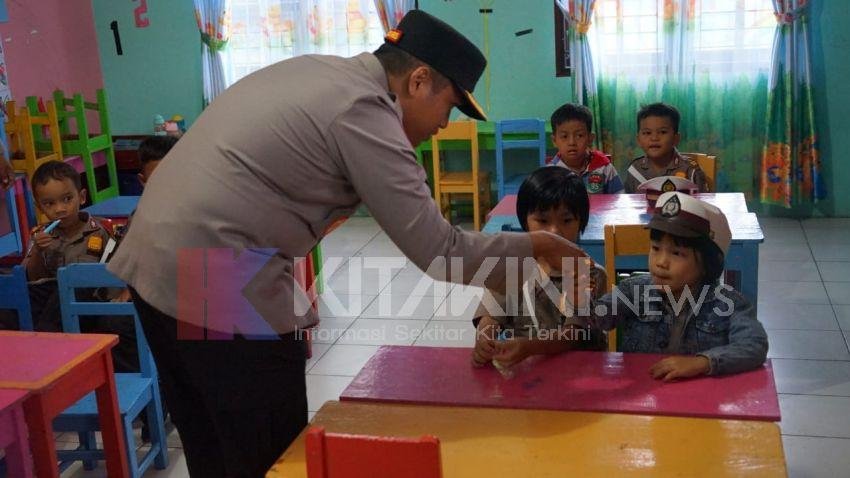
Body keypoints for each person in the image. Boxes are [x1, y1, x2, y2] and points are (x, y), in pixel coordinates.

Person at [107, 10, 587, 478]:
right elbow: (442, 252)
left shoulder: (321, 70)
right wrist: (538, 246)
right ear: (418, 81)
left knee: (210, 443)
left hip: (154, 263)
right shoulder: (367, 111)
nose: (444, 124)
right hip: (216, 272)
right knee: (271, 455)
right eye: (449, 106)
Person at [586, 191, 768, 380]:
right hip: (641, 399)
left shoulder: (727, 304)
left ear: (707, 264)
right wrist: (581, 301)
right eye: (655, 249)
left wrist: (702, 363)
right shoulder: (632, 292)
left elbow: (754, 345)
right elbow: (597, 317)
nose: (661, 262)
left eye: (677, 253)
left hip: (699, 401)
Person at [472, 167, 608, 368]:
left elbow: (573, 335)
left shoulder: (588, 273)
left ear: (581, 223)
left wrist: (529, 348)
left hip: (581, 371)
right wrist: (485, 340)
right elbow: (491, 315)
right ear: (525, 221)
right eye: (542, 221)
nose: (554, 231)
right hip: (524, 372)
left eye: (567, 220)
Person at [22, 160, 113, 331]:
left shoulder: (100, 232)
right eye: (49, 204)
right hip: (51, 300)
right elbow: (32, 279)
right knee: (27, 293)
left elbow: (114, 278)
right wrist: (37, 251)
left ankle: (45, 339)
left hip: (90, 304)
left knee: (71, 287)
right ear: (40, 208)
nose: (60, 209)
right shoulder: (39, 235)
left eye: (67, 199)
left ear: (82, 197)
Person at [623, 102, 708, 193]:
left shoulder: (691, 171)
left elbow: (702, 204)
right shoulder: (634, 169)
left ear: (676, 139)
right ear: (638, 140)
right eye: (647, 133)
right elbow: (629, 204)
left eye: (663, 132)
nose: (654, 138)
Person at [549, 103, 623, 194]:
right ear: (554, 140)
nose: (572, 142)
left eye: (579, 135)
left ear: (590, 139)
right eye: (564, 136)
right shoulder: (550, 173)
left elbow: (619, 199)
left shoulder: (604, 168)